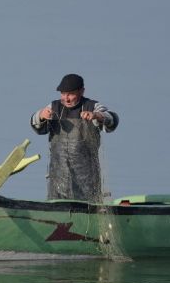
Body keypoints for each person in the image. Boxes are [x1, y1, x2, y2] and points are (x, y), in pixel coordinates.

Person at [30, 74, 118, 202]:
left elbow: (113, 120)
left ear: (81, 91)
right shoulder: (54, 107)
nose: (66, 98)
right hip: (58, 177)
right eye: (63, 94)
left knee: (87, 204)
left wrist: (97, 116)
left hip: (87, 177)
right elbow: (36, 126)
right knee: (57, 207)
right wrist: (41, 116)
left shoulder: (91, 106)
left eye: (71, 94)